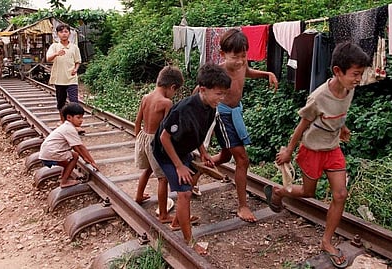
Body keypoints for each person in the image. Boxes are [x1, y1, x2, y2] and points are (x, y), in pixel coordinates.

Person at [264, 42, 371, 268]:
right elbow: (302, 126)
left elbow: (338, 113)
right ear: (337, 72)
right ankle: (280, 191)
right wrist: (288, 151)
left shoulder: (349, 89)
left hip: (332, 149)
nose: (358, 79)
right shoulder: (318, 97)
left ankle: (326, 241)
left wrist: (341, 127)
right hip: (311, 150)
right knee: (308, 192)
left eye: (360, 74)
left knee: (340, 194)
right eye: (355, 74)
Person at [153, 63, 231, 255]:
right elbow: (164, 138)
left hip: (183, 149)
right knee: (185, 193)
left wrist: (203, 152)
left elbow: (198, 132)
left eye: (224, 94)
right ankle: (189, 241)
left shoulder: (210, 107)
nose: (221, 99)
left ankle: (175, 222)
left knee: (189, 183)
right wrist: (178, 166)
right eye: (219, 94)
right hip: (165, 152)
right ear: (203, 89)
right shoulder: (184, 108)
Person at [203, 28, 279, 223]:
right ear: (222, 54)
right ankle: (242, 206)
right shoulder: (218, 71)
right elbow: (201, 89)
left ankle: (196, 171)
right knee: (242, 160)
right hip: (222, 115)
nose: (239, 61)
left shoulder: (242, 63)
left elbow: (249, 72)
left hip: (235, 113)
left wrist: (267, 74)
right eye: (235, 57)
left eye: (243, 56)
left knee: (226, 155)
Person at [134, 65, 184, 224]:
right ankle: (163, 214)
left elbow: (137, 122)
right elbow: (166, 130)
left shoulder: (146, 97)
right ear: (172, 87)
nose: (173, 94)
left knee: (148, 169)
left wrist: (138, 139)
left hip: (143, 136)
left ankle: (139, 196)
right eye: (175, 91)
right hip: (155, 142)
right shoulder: (166, 102)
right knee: (163, 178)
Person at [39, 102, 99, 188]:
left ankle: (64, 178)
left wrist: (85, 158)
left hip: (46, 154)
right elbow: (80, 147)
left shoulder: (66, 126)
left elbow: (76, 147)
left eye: (82, 117)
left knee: (70, 159)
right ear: (69, 117)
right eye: (78, 117)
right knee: (74, 157)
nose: (81, 120)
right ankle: (64, 182)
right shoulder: (69, 129)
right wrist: (92, 161)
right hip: (52, 153)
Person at [46, 23, 83, 133]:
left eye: (66, 31)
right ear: (57, 34)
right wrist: (56, 54)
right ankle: (63, 122)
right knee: (61, 101)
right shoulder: (54, 46)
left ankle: (76, 125)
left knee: (74, 102)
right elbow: (48, 58)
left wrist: (76, 69)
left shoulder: (74, 47)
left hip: (71, 78)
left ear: (69, 34)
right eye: (61, 32)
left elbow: (78, 61)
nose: (64, 34)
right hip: (59, 78)